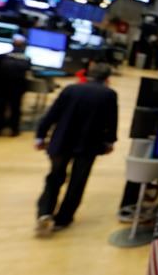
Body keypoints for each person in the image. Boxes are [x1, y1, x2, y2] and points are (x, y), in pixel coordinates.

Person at [34, 63, 118, 236]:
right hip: (88, 145)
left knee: (54, 178)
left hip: (62, 141)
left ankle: (44, 212)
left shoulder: (70, 89)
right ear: (107, 78)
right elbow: (111, 121)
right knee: (77, 182)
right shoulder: (108, 94)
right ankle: (63, 219)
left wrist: (40, 136)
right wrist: (109, 142)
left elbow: (52, 114)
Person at [0, 34, 31, 136]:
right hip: (17, 88)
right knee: (15, 108)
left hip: (1, 87)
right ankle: (14, 130)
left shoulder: (1, 57)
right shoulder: (27, 59)